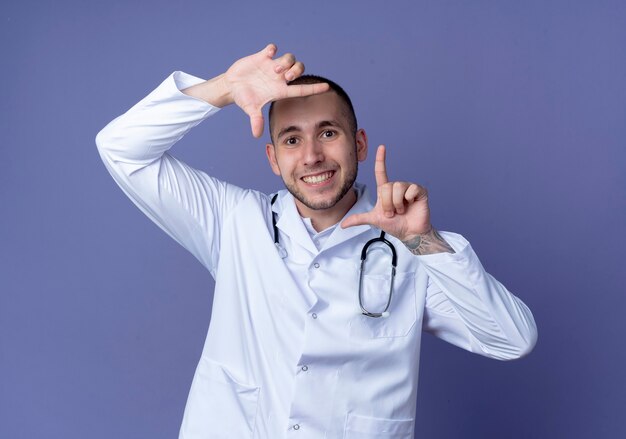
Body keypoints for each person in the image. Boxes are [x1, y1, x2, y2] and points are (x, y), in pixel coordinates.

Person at [96, 44, 537, 439]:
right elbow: (120, 147)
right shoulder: (234, 221)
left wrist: (423, 241)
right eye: (292, 140)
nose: (311, 156)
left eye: (328, 133)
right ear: (273, 158)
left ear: (359, 144)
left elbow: (512, 339)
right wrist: (226, 88)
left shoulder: (413, 248)